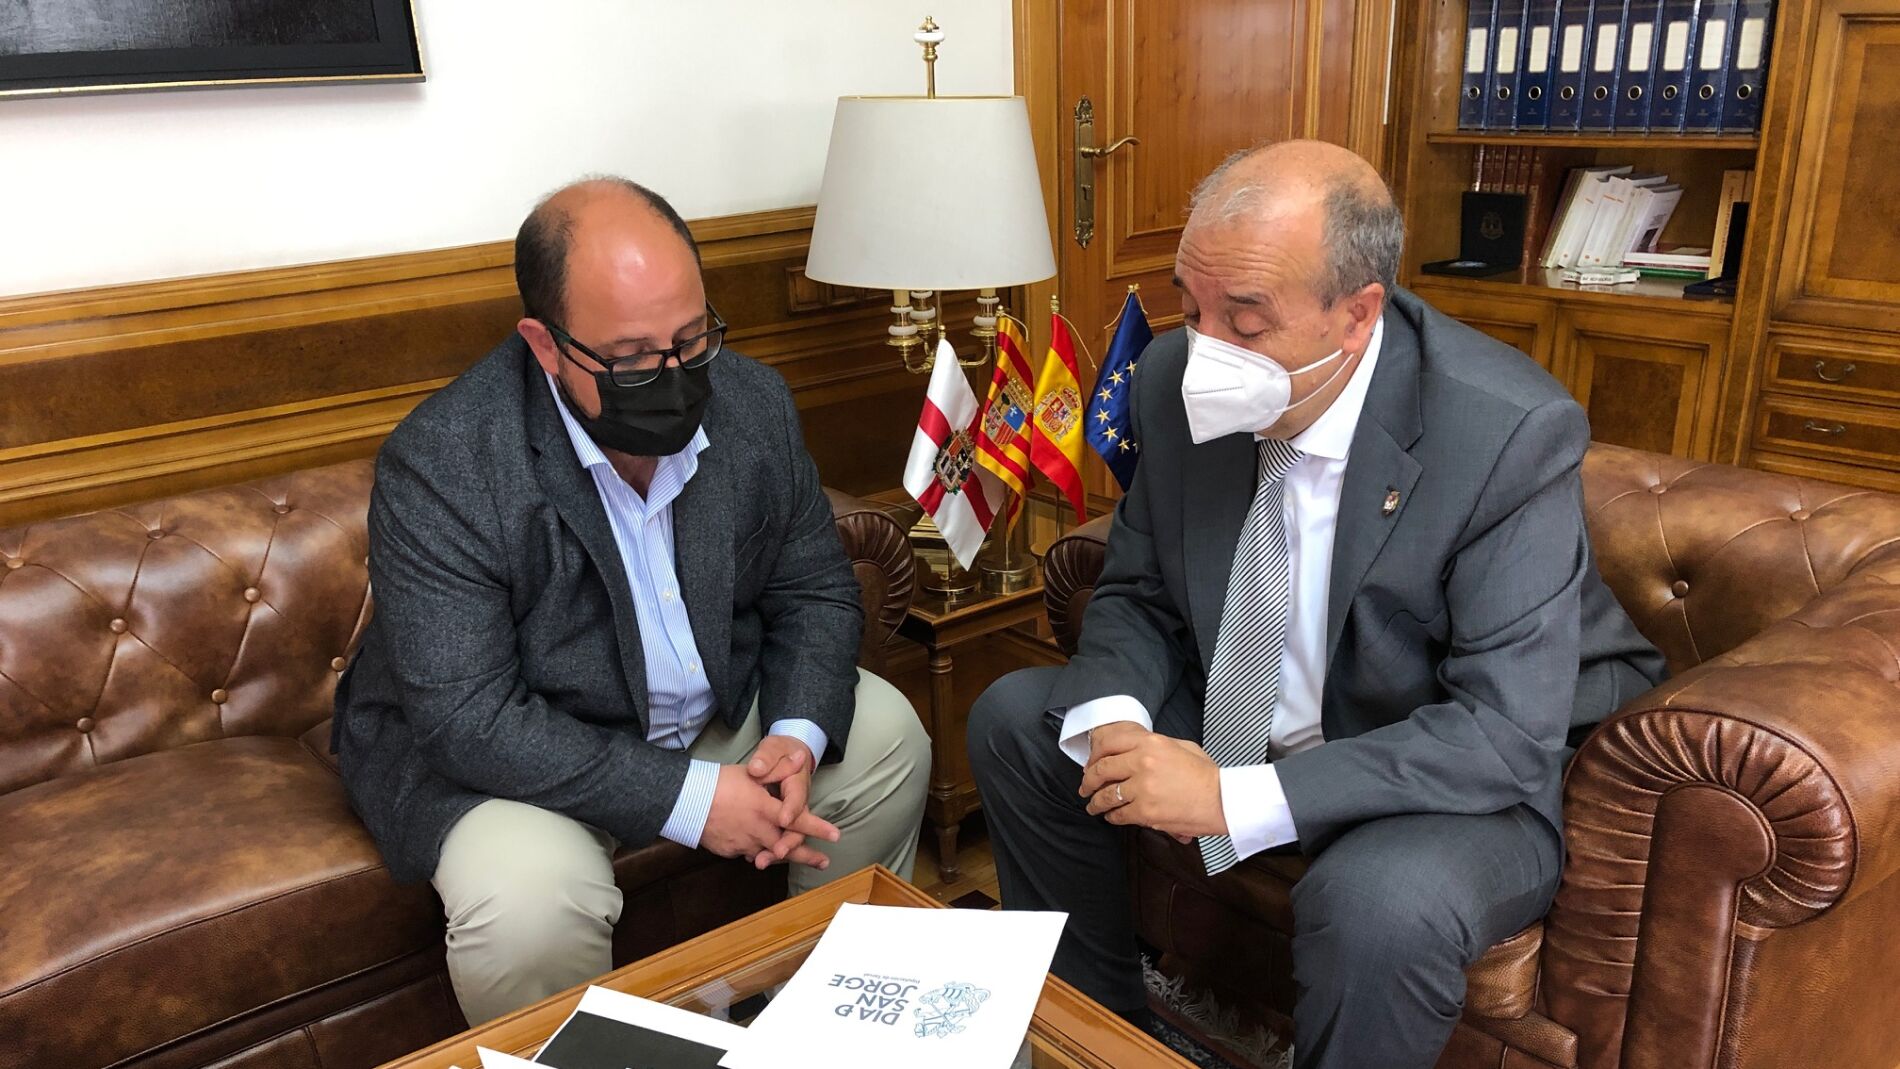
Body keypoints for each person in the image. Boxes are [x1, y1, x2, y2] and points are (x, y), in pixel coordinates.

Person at [967, 141, 1666, 1069]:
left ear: (1357, 314)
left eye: (1246, 322)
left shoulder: (1505, 431)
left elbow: (1499, 733)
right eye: (1192, 308)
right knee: (1022, 721)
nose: (1205, 351)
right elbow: (1137, 590)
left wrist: (1234, 796)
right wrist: (1117, 718)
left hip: (1450, 760)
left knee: (1380, 904)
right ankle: (1100, 1039)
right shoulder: (1173, 381)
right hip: (1252, 705)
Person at [333, 177, 930, 1024]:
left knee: (885, 737)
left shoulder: (751, 403)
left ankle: (821, 1030)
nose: (675, 375)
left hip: (707, 705)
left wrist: (794, 739)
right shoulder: (445, 463)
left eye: (692, 339)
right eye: (634, 359)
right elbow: (470, 718)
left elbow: (813, 587)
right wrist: (691, 798)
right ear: (546, 346)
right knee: (529, 907)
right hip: (524, 754)